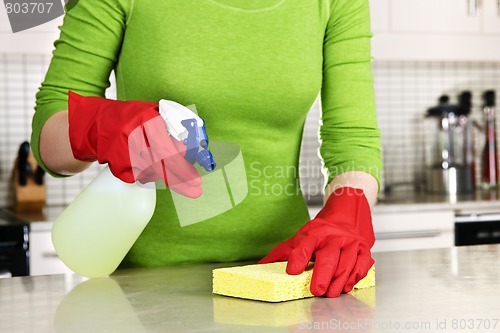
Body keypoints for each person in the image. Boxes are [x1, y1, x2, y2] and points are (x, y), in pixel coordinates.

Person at [32, 0, 382, 298]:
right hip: (142, 285)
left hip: (283, 276)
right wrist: (98, 126)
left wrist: (349, 203)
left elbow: (352, 136)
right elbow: (50, 138)